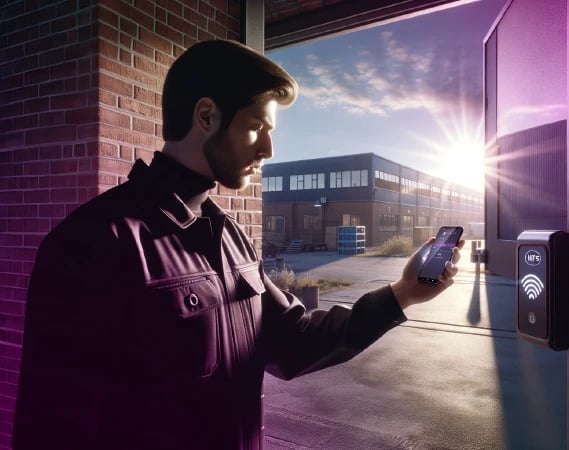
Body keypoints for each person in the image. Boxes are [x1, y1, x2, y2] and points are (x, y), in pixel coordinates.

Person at [12, 39, 464, 450]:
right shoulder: (97, 242)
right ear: (206, 116)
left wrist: (403, 293)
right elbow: (51, 428)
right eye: (256, 127)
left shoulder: (230, 238)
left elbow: (292, 342)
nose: (268, 148)